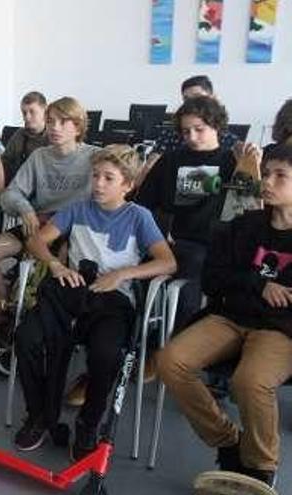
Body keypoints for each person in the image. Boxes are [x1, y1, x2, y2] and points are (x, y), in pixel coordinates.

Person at [12, 145, 176, 459]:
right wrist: (56, 264)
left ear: (128, 185)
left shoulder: (138, 216)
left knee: (106, 353)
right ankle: (39, 416)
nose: (98, 183)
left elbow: (167, 263)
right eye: (95, 175)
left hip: (113, 299)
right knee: (27, 337)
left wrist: (123, 274)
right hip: (70, 289)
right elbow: (36, 240)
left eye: (108, 178)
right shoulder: (77, 208)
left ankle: (88, 423)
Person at [156, 145, 292, 489]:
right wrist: (258, 284)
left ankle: (261, 465)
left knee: (249, 381)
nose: (269, 182)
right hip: (230, 316)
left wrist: (253, 286)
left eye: (281, 176)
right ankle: (229, 441)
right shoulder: (245, 226)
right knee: (170, 361)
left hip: (279, 329)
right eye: (268, 172)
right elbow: (213, 278)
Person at [0, 97, 100, 364]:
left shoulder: (94, 157)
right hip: (38, 224)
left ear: (78, 127)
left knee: (53, 271)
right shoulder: (39, 157)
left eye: (62, 122)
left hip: (74, 231)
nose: (54, 127)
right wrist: (25, 208)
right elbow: (10, 195)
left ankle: (45, 333)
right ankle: (5, 325)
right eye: (51, 121)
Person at [138, 96, 246, 333]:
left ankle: (178, 342)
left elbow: (248, 205)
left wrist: (250, 165)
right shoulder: (170, 160)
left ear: (216, 126)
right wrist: (157, 235)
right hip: (169, 240)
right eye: (186, 132)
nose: (192, 137)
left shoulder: (231, 162)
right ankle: (141, 341)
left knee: (191, 276)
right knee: (139, 270)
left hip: (210, 246)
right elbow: (144, 204)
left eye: (199, 129)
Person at [138, 75, 239, 185]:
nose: (192, 102)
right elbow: (151, 165)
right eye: (186, 99)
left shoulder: (229, 141)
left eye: (198, 97)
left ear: (212, 98)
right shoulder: (170, 135)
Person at [0, 91, 50, 186]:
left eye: (32, 112)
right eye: (24, 113)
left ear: (45, 112)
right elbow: (5, 162)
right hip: (19, 186)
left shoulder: (54, 135)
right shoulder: (19, 135)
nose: (27, 117)